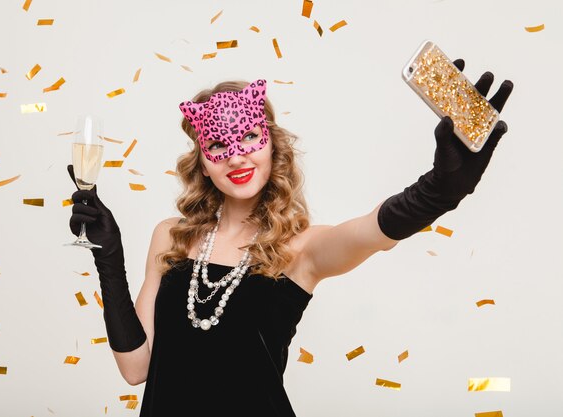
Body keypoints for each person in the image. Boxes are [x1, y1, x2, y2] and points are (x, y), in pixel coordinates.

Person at [68, 70, 513, 416]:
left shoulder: (301, 249)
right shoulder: (170, 236)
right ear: (203, 164)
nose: (238, 155)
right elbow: (135, 368)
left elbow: (370, 232)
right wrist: (109, 259)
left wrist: (437, 191)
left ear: (272, 148)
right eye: (219, 145)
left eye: (248, 137)